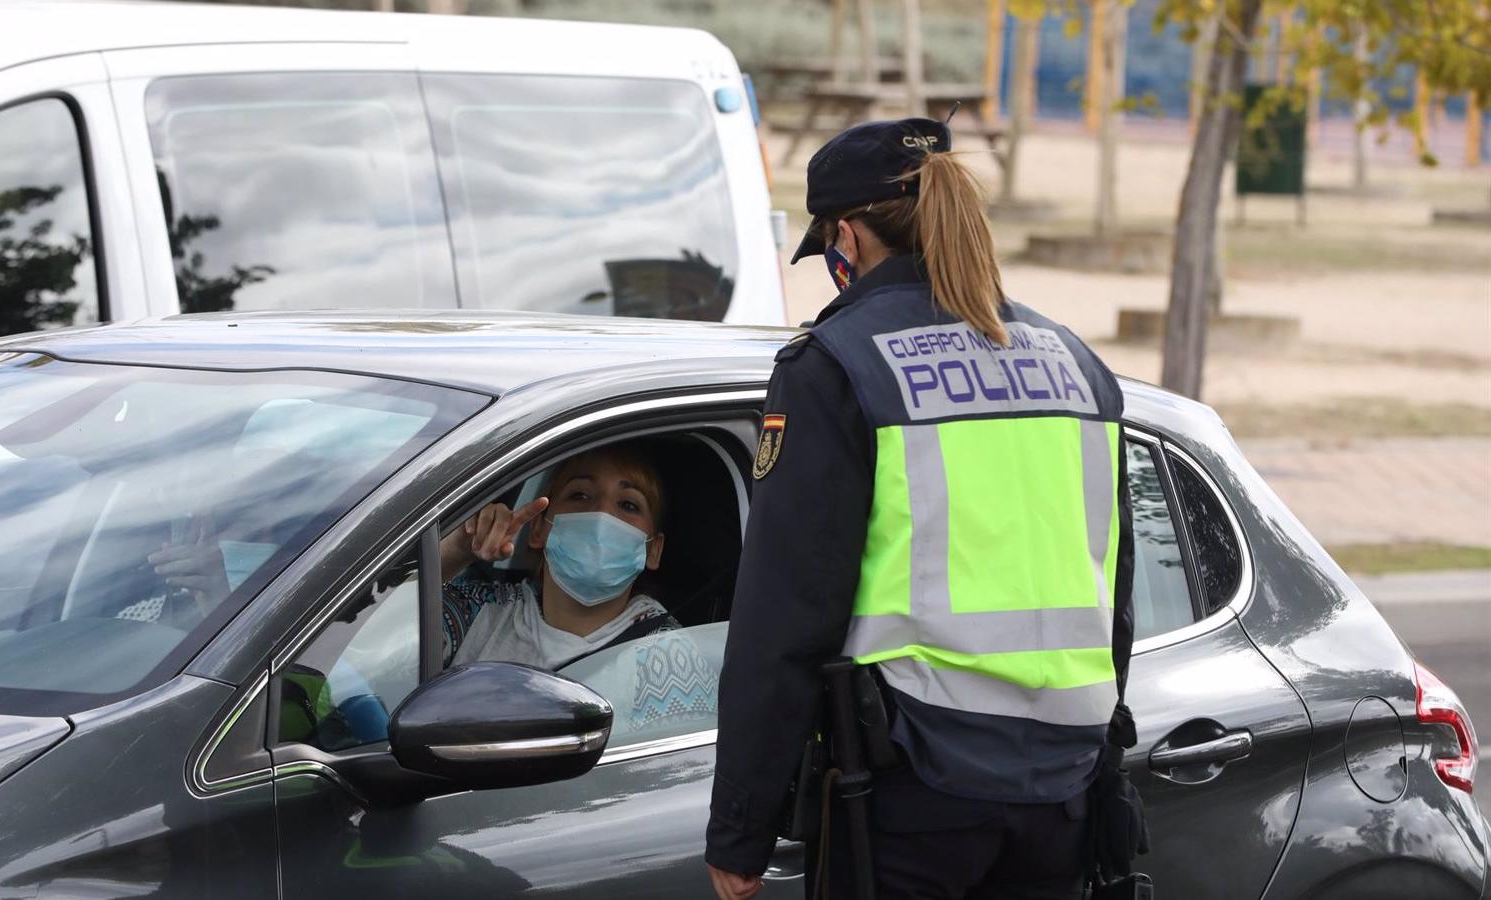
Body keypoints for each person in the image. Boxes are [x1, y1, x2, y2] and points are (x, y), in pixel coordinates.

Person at [705, 118, 1136, 900]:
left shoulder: (835, 365)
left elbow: (786, 616)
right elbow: (1117, 599)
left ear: (846, 236)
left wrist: (742, 827)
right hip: (1064, 790)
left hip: (915, 788)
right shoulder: (1077, 363)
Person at [438, 440, 681, 670]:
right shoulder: (479, 610)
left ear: (654, 550)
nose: (602, 513)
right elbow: (402, 616)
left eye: (628, 505)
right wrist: (458, 547)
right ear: (537, 529)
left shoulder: (669, 656)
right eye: (581, 495)